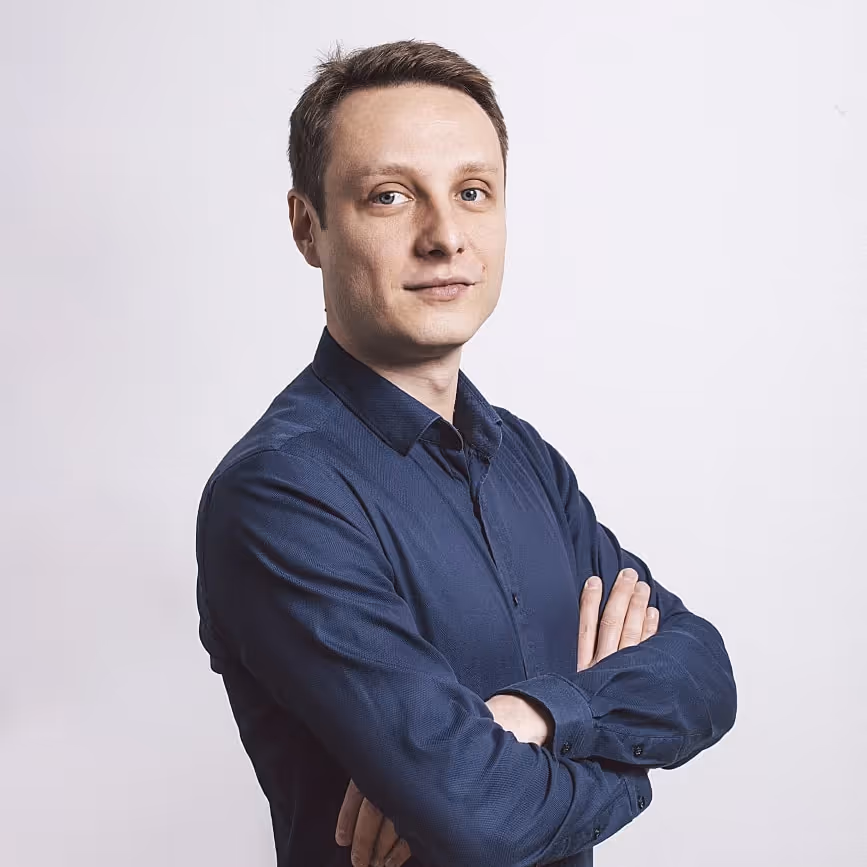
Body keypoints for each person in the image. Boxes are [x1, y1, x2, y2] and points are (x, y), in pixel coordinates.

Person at [195, 39, 737, 867]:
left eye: (472, 192)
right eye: (389, 196)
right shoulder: (278, 492)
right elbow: (481, 816)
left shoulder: (524, 459)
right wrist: (631, 766)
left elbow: (703, 670)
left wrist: (536, 715)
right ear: (309, 227)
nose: (444, 236)